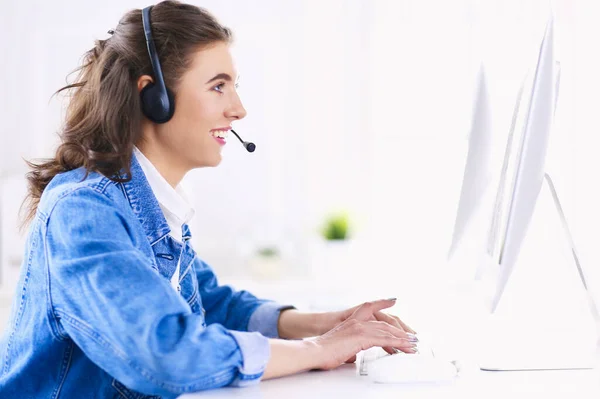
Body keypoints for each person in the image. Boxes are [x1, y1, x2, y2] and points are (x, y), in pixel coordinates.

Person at [0, 1, 417, 397]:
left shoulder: (152, 206)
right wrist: (318, 351)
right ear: (153, 97)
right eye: (219, 87)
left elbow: (211, 304)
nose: (238, 109)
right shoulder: (85, 210)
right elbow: (165, 353)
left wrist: (324, 324)